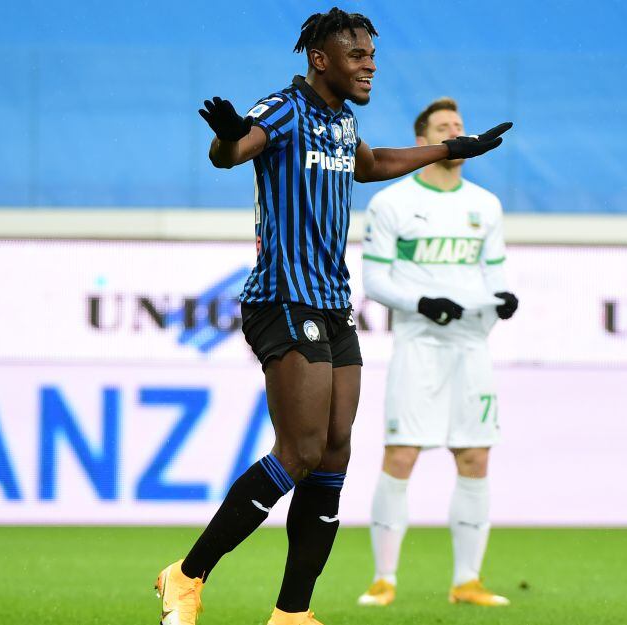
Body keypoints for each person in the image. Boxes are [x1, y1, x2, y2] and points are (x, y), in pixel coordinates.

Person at [153, 8, 512, 625]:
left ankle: (293, 613)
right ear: (321, 59)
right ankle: (185, 576)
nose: (370, 65)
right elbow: (234, 151)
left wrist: (450, 149)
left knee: (336, 452)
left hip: (332, 304)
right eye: (357, 56)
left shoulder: (344, 124)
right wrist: (224, 135)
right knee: (300, 450)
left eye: (372, 56)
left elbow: (370, 164)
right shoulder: (285, 110)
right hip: (281, 300)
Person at [355, 97, 517, 608]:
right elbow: (375, 280)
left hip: (471, 347)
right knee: (401, 455)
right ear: (425, 141)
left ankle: (467, 581)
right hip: (418, 345)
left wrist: (505, 297)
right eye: (445, 128)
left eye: (461, 126)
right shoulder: (391, 203)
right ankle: (384, 579)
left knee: (474, 456)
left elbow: (494, 272)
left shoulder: (485, 205)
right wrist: (422, 301)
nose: (457, 133)